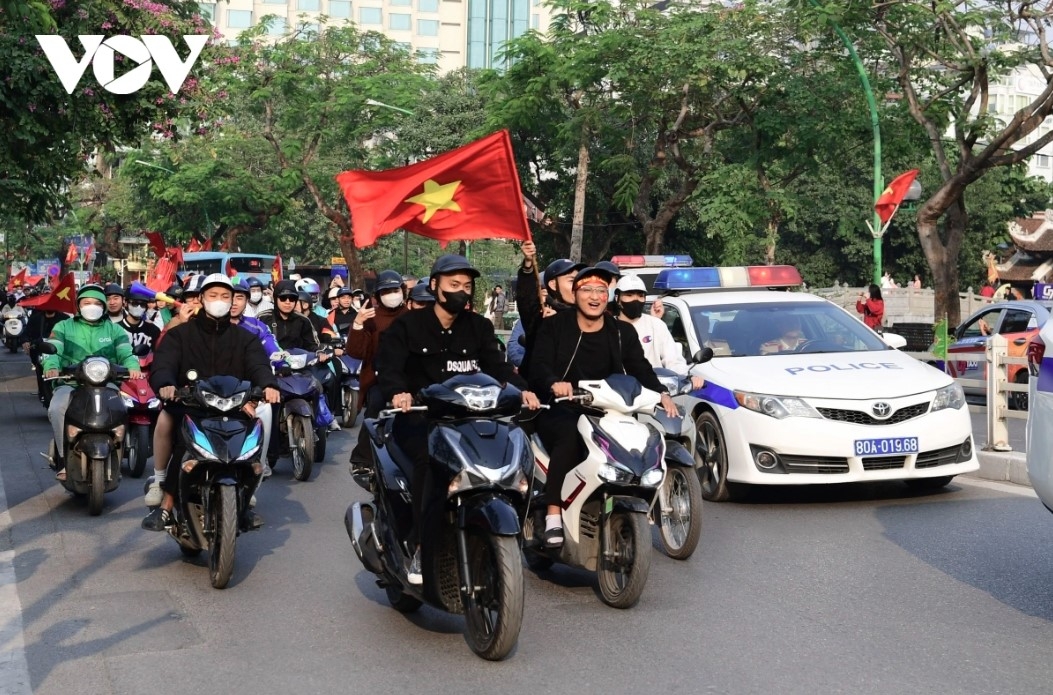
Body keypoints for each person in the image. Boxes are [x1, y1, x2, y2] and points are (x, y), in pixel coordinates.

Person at [375, 255, 540, 584]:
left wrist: (523, 390)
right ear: (435, 286)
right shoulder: (406, 327)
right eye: (453, 285)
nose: (461, 292)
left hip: (468, 420)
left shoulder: (479, 327)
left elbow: (499, 367)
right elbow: (389, 368)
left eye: (467, 286)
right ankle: (422, 546)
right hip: (421, 418)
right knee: (429, 462)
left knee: (511, 449)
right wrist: (399, 393)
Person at [526, 266, 676, 548]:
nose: (594, 296)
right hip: (561, 407)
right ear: (575, 293)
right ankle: (553, 512)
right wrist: (554, 382)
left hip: (608, 408)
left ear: (608, 296)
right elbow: (539, 365)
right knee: (570, 436)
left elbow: (640, 368)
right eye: (587, 290)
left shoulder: (622, 333)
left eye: (600, 290)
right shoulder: (554, 326)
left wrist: (662, 393)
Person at [142, 274, 281, 531]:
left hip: (234, 406)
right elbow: (164, 364)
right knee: (185, 444)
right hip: (192, 405)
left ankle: (245, 504)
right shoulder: (180, 335)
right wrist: (166, 384)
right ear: (202, 300)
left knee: (250, 449)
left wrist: (269, 386)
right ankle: (167, 507)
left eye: (225, 296)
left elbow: (259, 365)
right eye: (213, 296)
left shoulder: (245, 338)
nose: (220, 301)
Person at [42, 285, 142, 481]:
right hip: (70, 383)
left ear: (104, 307)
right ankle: (63, 459)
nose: (92, 306)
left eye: (97, 303)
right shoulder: (63, 326)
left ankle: (117, 457)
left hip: (106, 384)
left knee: (121, 408)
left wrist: (133, 366)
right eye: (87, 303)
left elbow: (125, 352)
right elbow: (53, 350)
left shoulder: (115, 330)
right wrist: (51, 366)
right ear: (79, 305)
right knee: (56, 408)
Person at [347, 269, 408, 472]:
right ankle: (363, 458)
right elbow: (356, 352)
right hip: (377, 378)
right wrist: (358, 323)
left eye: (395, 289)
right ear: (377, 296)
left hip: (410, 377)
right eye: (386, 291)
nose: (392, 295)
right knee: (375, 408)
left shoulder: (411, 316)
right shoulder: (370, 318)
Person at [614, 275, 704, 390]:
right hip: (618, 392)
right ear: (617, 298)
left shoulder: (656, 325)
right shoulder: (609, 327)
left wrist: (687, 377)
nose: (635, 300)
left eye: (640, 295)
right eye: (629, 295)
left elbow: (673, 360)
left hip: (652, 392)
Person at [23, 305, 69, 402]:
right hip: (39, 349)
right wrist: (26, 341)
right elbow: (26, 333)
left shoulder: (65, 319)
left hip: (59, 352)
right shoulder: (36, 318)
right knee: (40, 372)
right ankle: (43, 393)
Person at [257, 280, 319, 351]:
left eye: (292, 299)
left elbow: (312, 345)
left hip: (299, 360)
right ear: (275, 298)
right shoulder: (262, 318)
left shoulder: (303, 320)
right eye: (283, 298)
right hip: (269, 360)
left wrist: (319, 353)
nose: (287, 302)